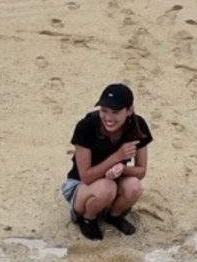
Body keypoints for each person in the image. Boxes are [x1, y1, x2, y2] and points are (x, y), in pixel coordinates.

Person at [61, 83, 153, 241]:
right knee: (106, 187)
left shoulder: (138, 126)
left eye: (115, 112)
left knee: (134, 187)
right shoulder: (86, 127)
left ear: (129, 110)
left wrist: (120, 169)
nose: (108, 118)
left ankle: (113, 216)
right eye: (104, 110)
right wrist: (116, 157)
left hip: (114, 179)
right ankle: (88, 218)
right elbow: (86, 177)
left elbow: (141, 171)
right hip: (80, 185)